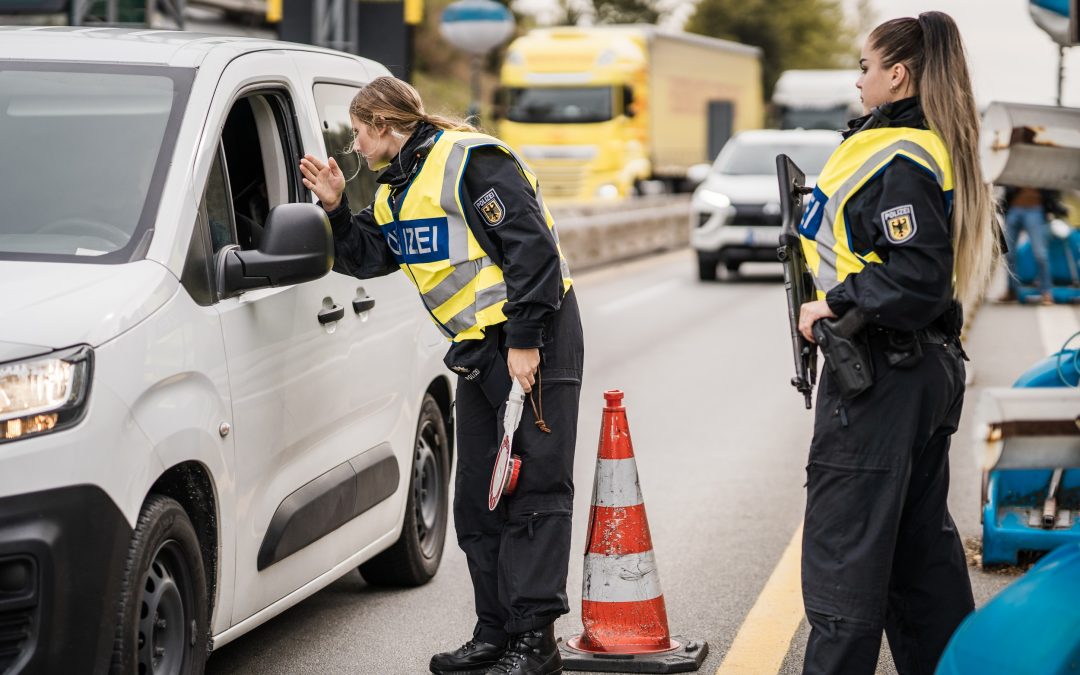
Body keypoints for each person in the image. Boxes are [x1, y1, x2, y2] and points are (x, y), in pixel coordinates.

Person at [299, 76, 582, 675]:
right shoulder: (395, 190)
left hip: (534, 336)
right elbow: (370, 256)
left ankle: (536, 644)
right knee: (478, 498)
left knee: (533, 490)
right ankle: (495, 633)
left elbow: (532, 250)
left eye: (357, 129)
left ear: (381, 124)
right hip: (479, 351)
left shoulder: (468, 161)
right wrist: (334, 209)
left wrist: (528, 342)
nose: (354, 142)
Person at [792, 12, 1000, 675]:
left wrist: (838, 302)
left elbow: (916, 271)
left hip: (882, 371)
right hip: (916, 368)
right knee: (920, 565)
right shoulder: (915, 142)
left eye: (865, 66)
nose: (859, 81)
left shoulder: (900, 152)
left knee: (845, 564)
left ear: (898, 73)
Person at [1000, 186, 1067, 304]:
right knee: (1008, 252)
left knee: (1040, 253)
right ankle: (1012, 290)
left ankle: (1046, 292)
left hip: (1035, 209)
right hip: (1014, 208)